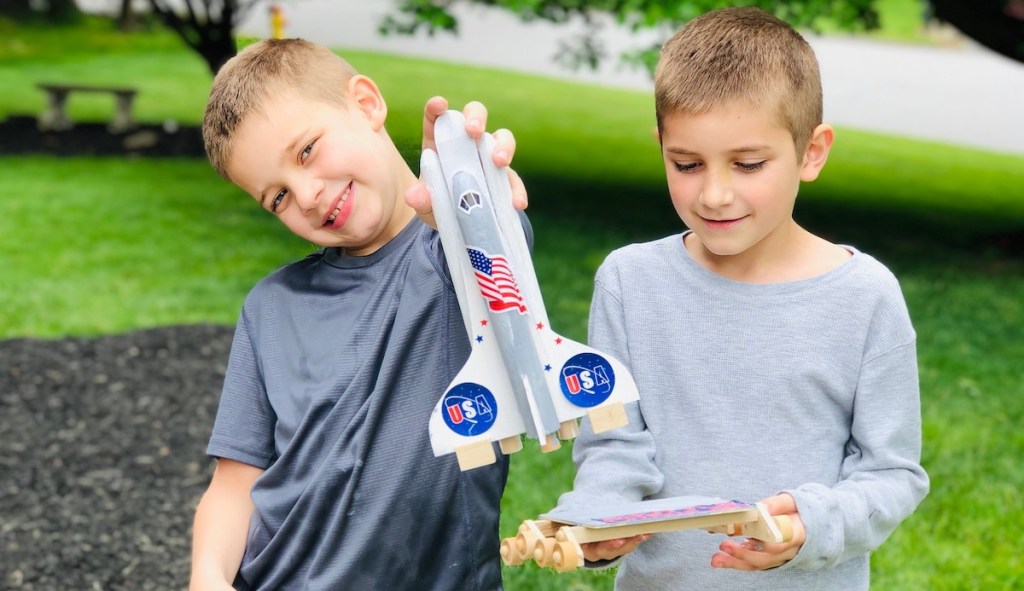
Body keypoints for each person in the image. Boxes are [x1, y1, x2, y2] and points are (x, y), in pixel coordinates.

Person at [554, 7, 929, 590]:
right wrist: (600, 518)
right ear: (661, 146)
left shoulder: (866, 297)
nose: (715, 194)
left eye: (748, 164)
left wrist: (812, 523)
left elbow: (892, 473)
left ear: (812, 152)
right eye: (686, 163)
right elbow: (614, 443)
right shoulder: (628, 281)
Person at [190, 38, 527, 590]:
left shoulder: (450, 263)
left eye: (305, 152)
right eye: (276, 198)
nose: (307, 195)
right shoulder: (271, 307)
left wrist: (470, 191)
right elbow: (234, 484)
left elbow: (493, 257)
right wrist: (207, 577)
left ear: (366, 104)